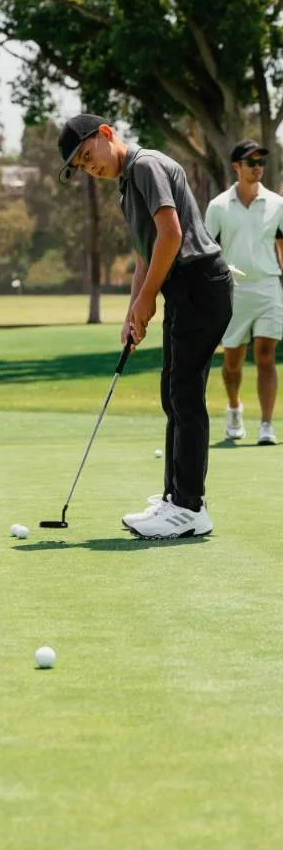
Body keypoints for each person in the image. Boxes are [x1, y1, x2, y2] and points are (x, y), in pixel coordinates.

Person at [57, 113, 233, 539]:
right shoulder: (126, 188)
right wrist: (135, 309)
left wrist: (149, 296)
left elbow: (171, 235)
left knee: (184, 395)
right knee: (173, 391)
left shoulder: (144, 166)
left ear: (105, 134)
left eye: (87, 155)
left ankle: (190, 507)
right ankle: (176, 497)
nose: (90, 168)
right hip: (184, 289)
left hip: (200, 284)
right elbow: (145, 253)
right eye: (81, 166)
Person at [204, 139, 283, 446]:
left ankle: (266, 424)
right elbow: (208, 251)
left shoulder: (276, 204)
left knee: (265, 354)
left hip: (267, 286)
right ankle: (235, 408)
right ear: (236, 166)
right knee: (233, 361)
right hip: (233, 290)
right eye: (251, 162)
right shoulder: (218, 207)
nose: (257, 167)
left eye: (261, 162)